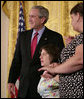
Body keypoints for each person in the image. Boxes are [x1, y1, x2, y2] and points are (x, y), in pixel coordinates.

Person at [8, 6, 64, 98]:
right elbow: (17, 60)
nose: (29, 19)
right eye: (29, 16)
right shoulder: (23, 36)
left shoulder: (55, 37)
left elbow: (60, 62)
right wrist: (11, 80)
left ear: (42, 19)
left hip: (43, 88)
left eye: (33, 16)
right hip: (24, 88)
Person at [38, 2, 83, 98]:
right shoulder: (79, 37)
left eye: (72, 18)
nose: (71, 21)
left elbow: (80, 60)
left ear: (78, 16)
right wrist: (60, 66)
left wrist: (55, 69)